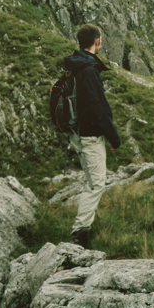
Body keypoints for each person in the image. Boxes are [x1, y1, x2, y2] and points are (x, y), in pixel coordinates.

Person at [63, 23, 121, 248]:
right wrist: (113, 137)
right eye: (101, 39)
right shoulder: (88, 70)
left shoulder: (76, 66)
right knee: (96, 184)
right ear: (97, 41)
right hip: (90, 135)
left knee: (91, 181)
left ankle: (84, 227)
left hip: (77, 133)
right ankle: (80, 233)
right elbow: (98, 107)